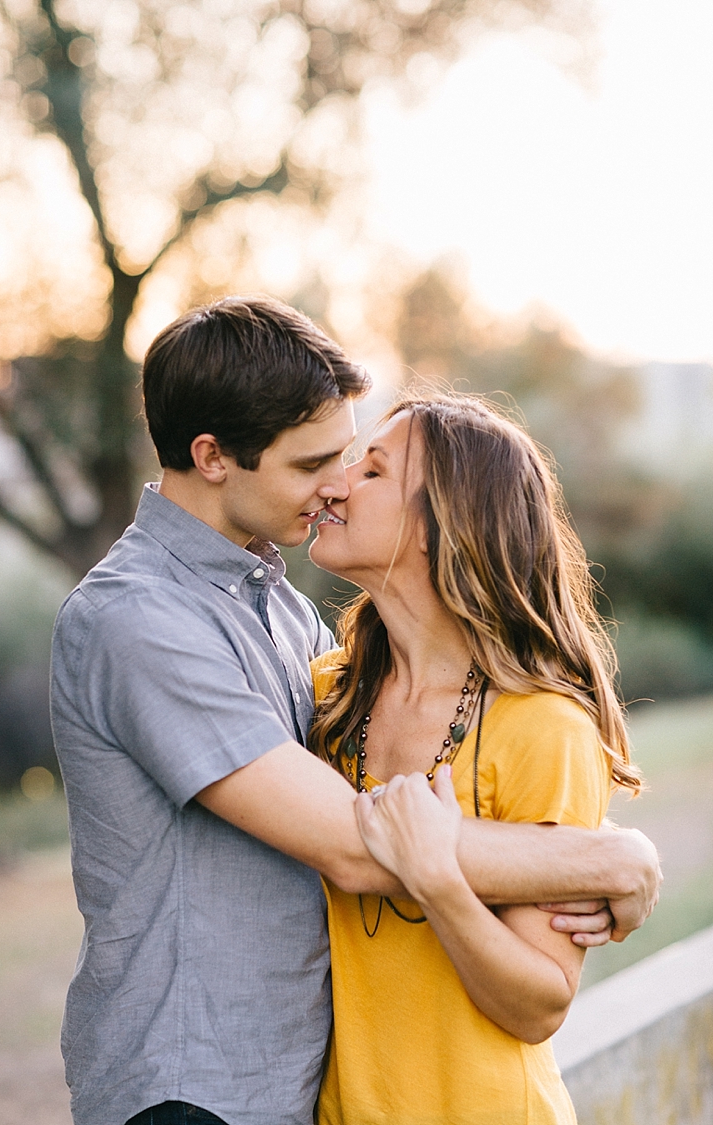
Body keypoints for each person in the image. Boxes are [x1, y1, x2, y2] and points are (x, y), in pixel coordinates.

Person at [48, 295, 662, 1125]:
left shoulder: (298, 629)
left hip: (305, 1091)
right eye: (315, 465)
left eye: (361, 464)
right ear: (214, 456)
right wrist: (606, 864)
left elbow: (534, 989)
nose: (334, 485)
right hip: (194, 1086)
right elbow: (355, 846)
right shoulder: (140, 620)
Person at [306, 392, 634, 1122]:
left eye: (372, 471)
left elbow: (541, 1002)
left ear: (436, 527)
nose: (334, 482)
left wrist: (439, 878)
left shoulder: (544, 725)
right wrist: (623, 862)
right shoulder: (325, 694)